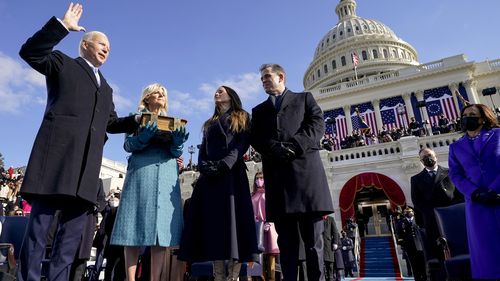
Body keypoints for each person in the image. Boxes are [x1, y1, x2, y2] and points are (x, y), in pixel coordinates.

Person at [16, 4, 139, 281]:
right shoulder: (62, 64)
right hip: (56, 163)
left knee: (69, 242)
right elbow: (30, 52)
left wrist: (138, 120)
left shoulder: (106, 87)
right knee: (39, 233)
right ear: (84, 44)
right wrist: (61, 26)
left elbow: (111, 123)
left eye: (109, 46)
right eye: (101, 43)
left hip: (85, 172)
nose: (107, 49)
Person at [250, 63, 334, 281]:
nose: (264, 81)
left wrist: (295, 145)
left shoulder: (304, 99)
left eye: (267, 76)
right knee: (286, 246)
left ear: (281, 76)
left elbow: (317, 126)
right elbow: (256, 138)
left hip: (307, 181)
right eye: (262, 79)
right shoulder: (258, 111)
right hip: (279, 184)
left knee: (313, 243)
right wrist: (274, 148)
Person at [179, 86, 258, 281]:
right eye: (215, 91)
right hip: (210, 180)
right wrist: (204, 167)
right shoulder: (209, 123)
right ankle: (218, 276)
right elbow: (203, 149)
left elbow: (242, 145)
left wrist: (225, 164)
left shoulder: (243, 117)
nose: (217, 93)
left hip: (232, 177)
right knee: (214, 228)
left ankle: (233, 277)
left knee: (234, 228)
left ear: (231, 95)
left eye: (221, 91)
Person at [110, 83, 188, 281]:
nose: (161, 95)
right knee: (132, 227)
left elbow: (176, 152)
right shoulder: (135, 118)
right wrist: (142, 137)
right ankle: (130, 279)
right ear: (146, 97)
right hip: (141, 175)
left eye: (163, 93)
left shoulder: (173, 121)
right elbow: (128, 145)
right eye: (156, 92)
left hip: (166, 176)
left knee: (161, 233)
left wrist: (178, 143)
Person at [448, 103, 500, 280]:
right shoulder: (455, 147)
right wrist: (475, 193)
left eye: (472, 114)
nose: (467, 118)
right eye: (464, 115)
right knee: (485, 249)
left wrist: (494, 189)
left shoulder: (498, 135)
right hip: (477, 204)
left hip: (498, 196)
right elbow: (456, 175)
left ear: (483, 118)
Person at [410, 147, 464, 260]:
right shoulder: (416, 179)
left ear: (436, 156)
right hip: (432, 221)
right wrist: (433, 212)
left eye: (429, 155)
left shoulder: (450, 173)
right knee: (439, 253)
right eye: (424, 157)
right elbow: (417, 201)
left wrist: (450, 210)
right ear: (421, 161)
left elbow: (460, 195)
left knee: (459, 249)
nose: (428, 158)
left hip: (453, 218)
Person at [251, 171, 280, 281]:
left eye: (261, 178)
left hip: (269, 226)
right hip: (256, 228)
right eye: (257, 178)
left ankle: (272, 278)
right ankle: (256, 277)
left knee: (271, 256)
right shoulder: (252, 195)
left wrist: (269, 221)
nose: (259, 180)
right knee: (256, 256)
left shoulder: (268, 194)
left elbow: (272, 209)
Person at [396, 208, 426, 281]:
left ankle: (425, 278)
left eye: (411, 211)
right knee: (414, 265)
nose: (410, 213)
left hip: (420, 245)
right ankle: (417, 279)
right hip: (410, 247)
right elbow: (400, 235)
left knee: (423, 264)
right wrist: (403, 246)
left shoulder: (418, 220)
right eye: (408, 212)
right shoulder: (401, 222)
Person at [322, 215, 343, 281]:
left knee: (330, 265)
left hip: (328, 245)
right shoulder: (317, 218)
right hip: (319, 245)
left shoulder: (331, 219)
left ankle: (330, 278)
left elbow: (335, 232)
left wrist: (335, 243)